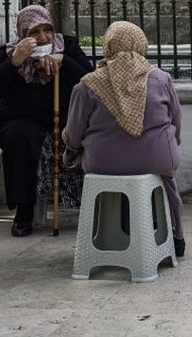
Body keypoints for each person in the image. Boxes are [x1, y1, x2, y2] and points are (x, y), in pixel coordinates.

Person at [63, 21, 185, 257]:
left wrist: (71, 147)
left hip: (102, 163)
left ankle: (100, 237)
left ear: (107, 46)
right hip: (157, 160)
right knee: (167, 182)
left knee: (86, 171)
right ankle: (176, 238)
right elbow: (176, 121)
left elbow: (74, 133)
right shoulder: (161, 79)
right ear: (142, 45)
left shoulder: (87, 85)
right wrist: (172, 145)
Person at [0, 4, 93, 237]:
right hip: (20, 119)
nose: (43, 37)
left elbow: (90, 80)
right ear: (23, 34)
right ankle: (24, 213)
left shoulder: (68, 47)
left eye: (47, 30)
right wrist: (15, 61)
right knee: (20, 136)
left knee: (91, 134)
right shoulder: (9, 53)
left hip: (63, 119)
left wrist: (64, 61)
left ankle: (92, 206)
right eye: (34, 32)